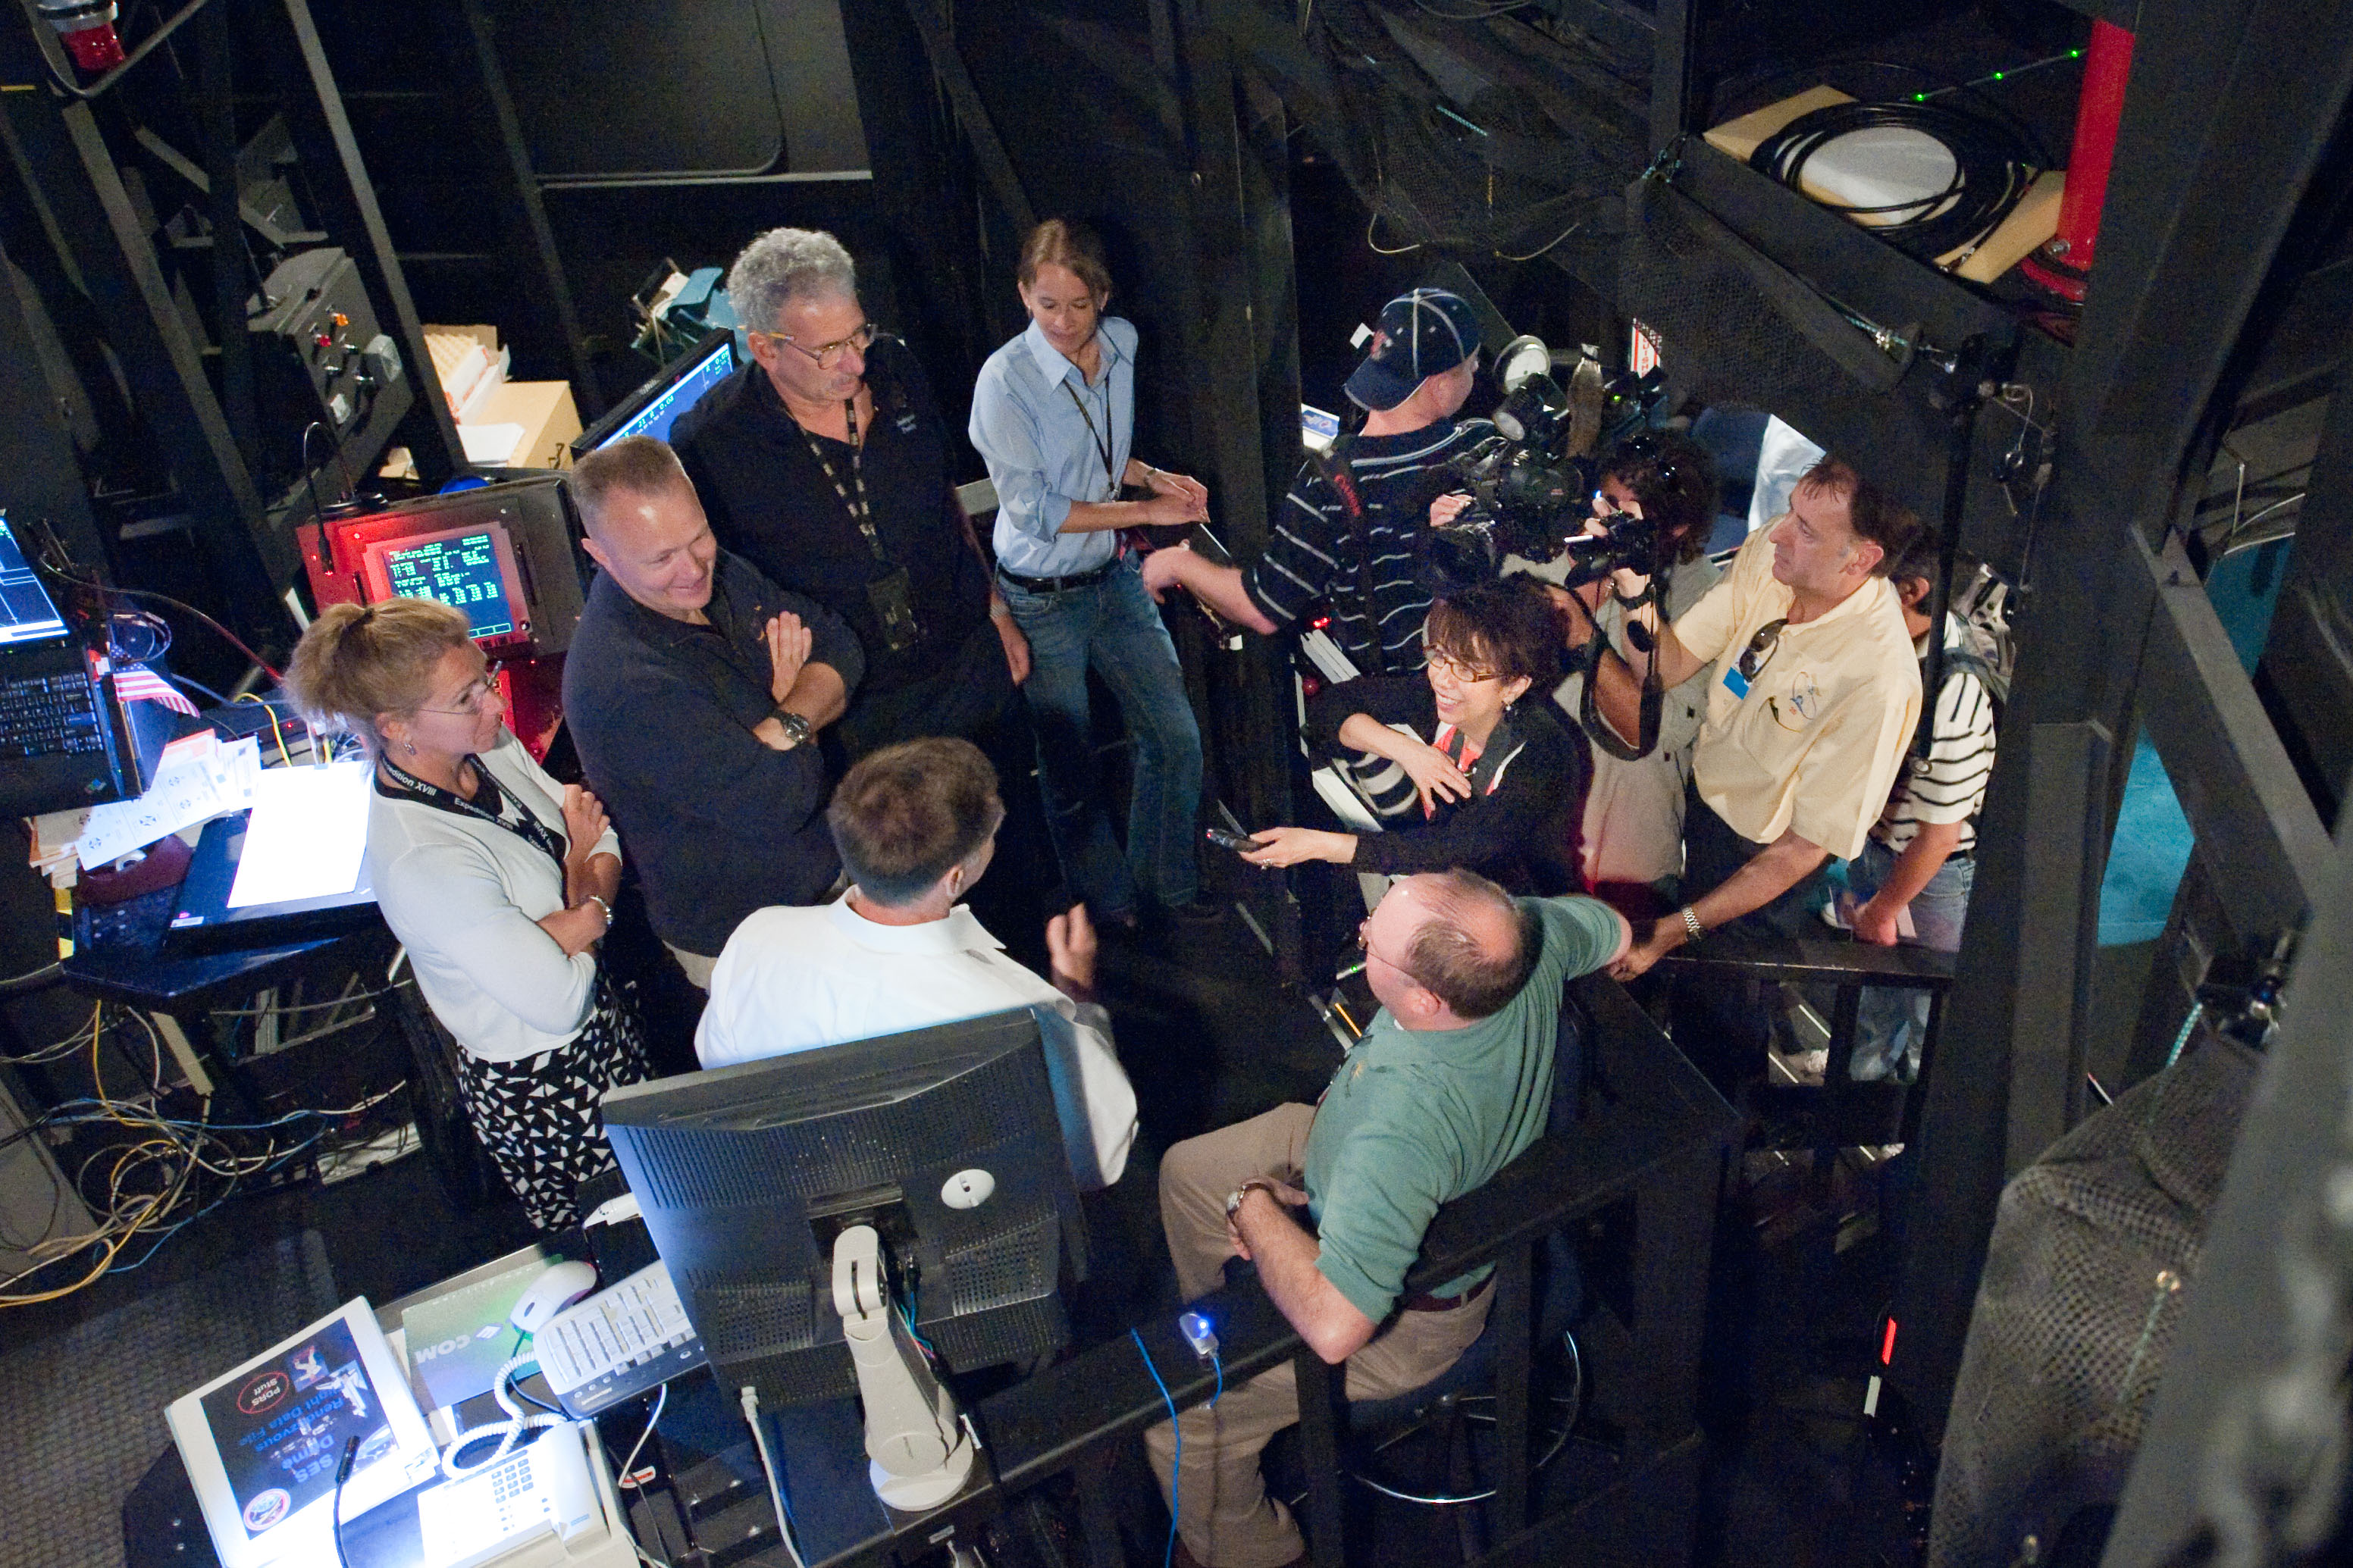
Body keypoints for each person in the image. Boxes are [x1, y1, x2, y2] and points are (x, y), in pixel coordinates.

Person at [1145, 871, 1629, 1567]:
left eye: (1377, 937)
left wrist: (1253, 1208)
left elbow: (1340, 1327)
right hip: (1362, 1162)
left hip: (1416, 1318)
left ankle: (1250, 1552)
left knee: (1183, 1417)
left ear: (1427, 999)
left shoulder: (1401, 1131)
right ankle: (1237, 1308)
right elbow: (1610, 928)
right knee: (1187, 1173)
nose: (1364, 929)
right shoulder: (1525, 939)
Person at [286, 599, 650, 1231]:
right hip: (547, 1090)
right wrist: (584, 888)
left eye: (484, 679)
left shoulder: (487, 746)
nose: (496, 704)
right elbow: (557, 998)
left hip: (605, 1027)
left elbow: (601, 836)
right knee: (625, 1243)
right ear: (396, 726)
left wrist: (573, 918)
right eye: (467, 698)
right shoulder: (424, 859)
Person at [1565, 455, 1922, 1074]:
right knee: (1690, 996)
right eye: (1790, 512)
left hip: (1760, 862)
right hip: (1707, 800)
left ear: (1860, 559)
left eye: (1807, 530)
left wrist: (1678, 927)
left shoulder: (1880, 680)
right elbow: (1667, 666)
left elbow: (1800, 851)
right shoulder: (1770, 555)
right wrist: (1633, 586)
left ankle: (1721, 1138)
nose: (1775, 533)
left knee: (1723, 1022)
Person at [695, 737, 1137, 1189]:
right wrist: (1077, 994)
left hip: (794, 1191)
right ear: (955, 877)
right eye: (990, 838)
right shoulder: (1013, 1008)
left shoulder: (758, 936)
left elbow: (719, 1065)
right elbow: (1100, 1154)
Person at [669, 228, 1029, 764]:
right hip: (860, 713)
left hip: (968, 660)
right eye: (828, 350)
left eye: (858, 335)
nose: (856, 363)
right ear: (766, 348)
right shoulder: (713, 443)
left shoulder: (896, 367)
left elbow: (946, 501)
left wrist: (997, 609)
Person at [969, 218, 1213, 928]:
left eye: (1077, 305)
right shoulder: (1004, 383)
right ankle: (1111, 910)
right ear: (1023, 296)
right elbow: (1039, 510)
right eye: (1046, 305)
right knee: (1070, 773)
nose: (1063, 322)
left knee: (1175, 739)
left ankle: (1166, 885)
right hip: (1040, 598)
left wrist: (1152, 476)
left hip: (1111, 577)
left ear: (1102, 296)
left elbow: (1105, 457)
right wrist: (1150, 513)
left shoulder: (1124, 344)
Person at [559, 435, 865, 989]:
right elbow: (780, 800)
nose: (693, 568)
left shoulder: (712, 572)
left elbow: (842, 648)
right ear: (600, 556)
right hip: (751, 945)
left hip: (831, 884)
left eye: (698, 536)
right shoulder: (625, 686)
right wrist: (798, 703)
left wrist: (780, 722)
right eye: (660, 558)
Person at [1141, 286, 1490, 678]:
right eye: (1472, 366)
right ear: (1440, 383)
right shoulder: (1483, 447)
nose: (1476, 374)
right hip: (1484, 683)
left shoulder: (1329, 481)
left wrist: (1176, 562)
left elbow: (1262, 608)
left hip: (1397, 706)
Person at [1233, 577, 1581, 894]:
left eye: (1467, 669)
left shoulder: (1544, 752)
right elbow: (1328, 710)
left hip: (1524, 913)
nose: (1443, 679)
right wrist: (1408, 751)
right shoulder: (1438, 698)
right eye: (1440, 657)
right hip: (1452, 891)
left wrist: (1319, 846)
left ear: (1515, 684)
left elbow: (1459, 847)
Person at [1523, 432, 1724, 918]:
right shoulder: (1561, 545)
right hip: (1536, 832)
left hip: (1628, 865)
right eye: (1606, 500)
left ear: (1676, 528)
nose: (1603, 519)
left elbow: (1653, 732)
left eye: (1624, 512)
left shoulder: (1711, 601)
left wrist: (1583, 634)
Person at [1840, 538, 1998, 1081]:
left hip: (1933, 875)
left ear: (1912, 591)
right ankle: (1862, 1082)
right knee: (1874, 987)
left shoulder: (1954, 691)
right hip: (1878, 844)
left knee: (1930, 1005)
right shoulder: (1893, 647)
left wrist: (1884, 908)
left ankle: (1911, 1119)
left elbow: (1939, 838)